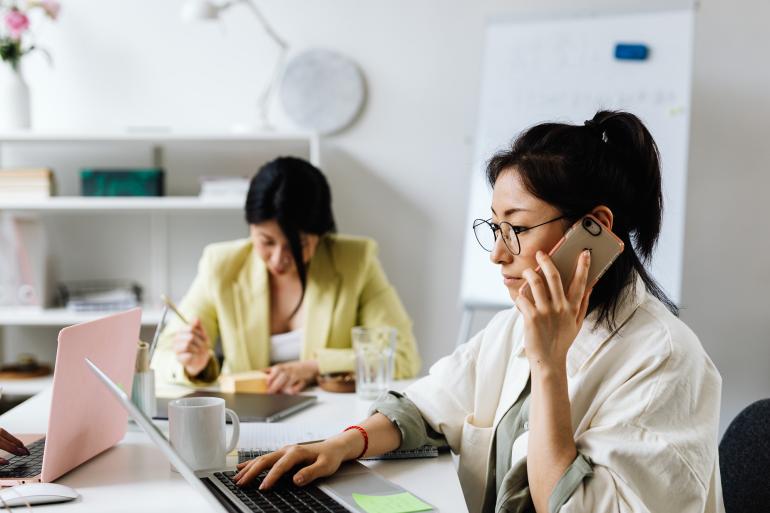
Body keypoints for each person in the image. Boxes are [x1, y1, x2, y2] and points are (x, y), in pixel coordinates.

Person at [233, 112, 723, 513]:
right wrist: (343, 444)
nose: (497, 253)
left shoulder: (666, 361)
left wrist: (549, 367)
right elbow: (426, 403)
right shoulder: (516, 324)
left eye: (517, 228)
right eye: (494, 228)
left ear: (592, 229)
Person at [151, 157, 421, 393]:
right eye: (266, 242)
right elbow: (161, 356)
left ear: (320, 233)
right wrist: (193, 365)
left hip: (333, 424)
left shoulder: (355, 261)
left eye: (297, 245)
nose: (279, 258)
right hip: (243, 422)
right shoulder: (221, 265)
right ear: (251, 228)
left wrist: (314, 367)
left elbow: (402, 357)